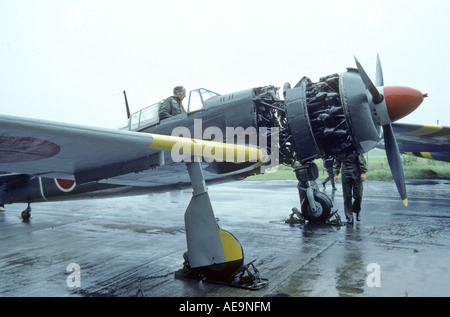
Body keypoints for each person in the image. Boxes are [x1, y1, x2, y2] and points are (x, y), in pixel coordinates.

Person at [333, 153, 368, 224]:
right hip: (346, 174)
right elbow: (337, 162)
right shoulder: (341, 150)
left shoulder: (355, 149)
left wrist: (363, 173)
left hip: (356, 174)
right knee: (347, 196)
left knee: (358, 195)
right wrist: (336, 174)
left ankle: (356, 210)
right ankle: (349, 217)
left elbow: (361, 161)